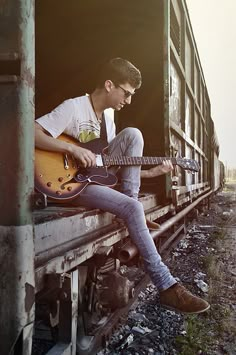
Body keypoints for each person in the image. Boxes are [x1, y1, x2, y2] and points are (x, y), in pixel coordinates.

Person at [35, 57, 210, 314]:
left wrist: (152, 171)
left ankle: (132, 207)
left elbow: (106, 169)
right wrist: (70, 148)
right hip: (68, 183)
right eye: (126, 93)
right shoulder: (73, 108)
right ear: (109, 85)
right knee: (131, 208)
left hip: (90, 178)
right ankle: (166, 285)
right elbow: (31, 130)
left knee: (133, 135)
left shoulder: (108, 118)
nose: (128, 101)